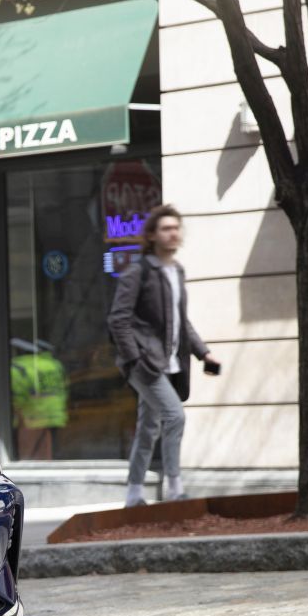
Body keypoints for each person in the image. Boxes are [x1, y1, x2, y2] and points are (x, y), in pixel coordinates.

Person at [107, 204, 220, 506]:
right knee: (175, 416)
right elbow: (118, 319)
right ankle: (174, 488)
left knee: (149, 426)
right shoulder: (138, 271)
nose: (173, 233)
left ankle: (133, 493)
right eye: (166, 229)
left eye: (176, 228)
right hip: (146, 364)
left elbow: (181, 320)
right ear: (153, 235)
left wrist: (203, 353)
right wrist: (134, 359)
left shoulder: (176, 271)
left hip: (169, 362)